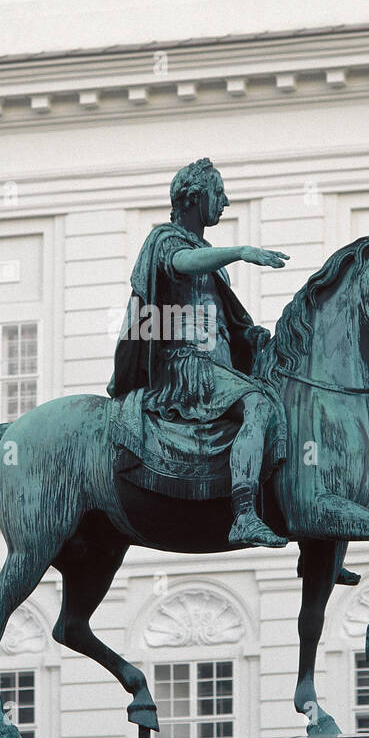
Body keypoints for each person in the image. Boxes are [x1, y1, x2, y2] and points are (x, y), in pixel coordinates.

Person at [108, 158, 289, 548]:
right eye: (217, 193)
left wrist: (253, 338)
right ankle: (243, 513)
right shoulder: (165, 240)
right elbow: (182, 264)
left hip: (217, 366)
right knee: (258, 404)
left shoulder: (206, 253)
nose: (224, 202)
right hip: (186, 366)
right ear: (194, 197)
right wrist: (239, 251)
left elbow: (228, 319)